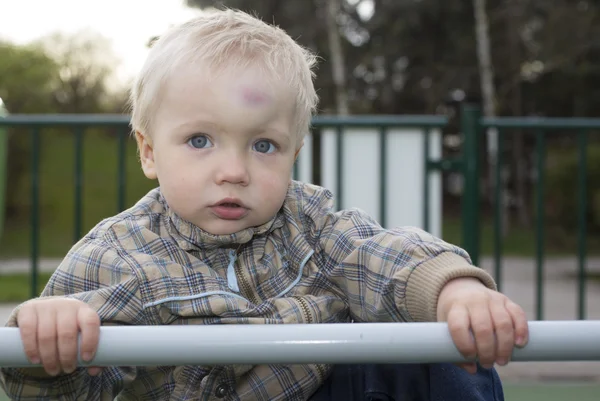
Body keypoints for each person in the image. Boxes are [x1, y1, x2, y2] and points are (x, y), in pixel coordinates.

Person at [0, 9, 527, 401]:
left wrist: (453, 291)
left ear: (294, 153)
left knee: (447, 352)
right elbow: (60, 392)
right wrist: (50, 345)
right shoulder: (113, 258)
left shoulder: (313, 228)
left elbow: (383, 256)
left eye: (263, 145)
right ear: (148, 151)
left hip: (317, 391)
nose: (235, 170)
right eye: (201, 140)